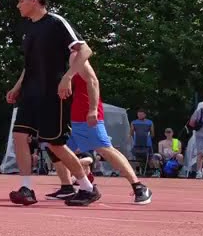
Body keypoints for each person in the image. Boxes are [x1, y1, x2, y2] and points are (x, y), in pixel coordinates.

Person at [5, 0, 95, 206]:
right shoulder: (28, 29)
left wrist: (68, 77)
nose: (18, 5)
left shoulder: (56, 22)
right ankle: (27, 188)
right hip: (30, 92)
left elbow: (85, 49)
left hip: (54, 92)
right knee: (19, 135)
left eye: (21, 0)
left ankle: (87, 187)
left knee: (55, 144)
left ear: (34, 0)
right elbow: (30, 65)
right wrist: (17, 87)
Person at [55, 63, 152, 205]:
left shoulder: (77, 54)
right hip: (76, 115)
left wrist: (93, 109)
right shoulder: (64, 58)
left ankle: (138, 186)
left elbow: (93, 81)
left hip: (87, 112)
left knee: (104, 148)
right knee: (63, 149)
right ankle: (83, 188)